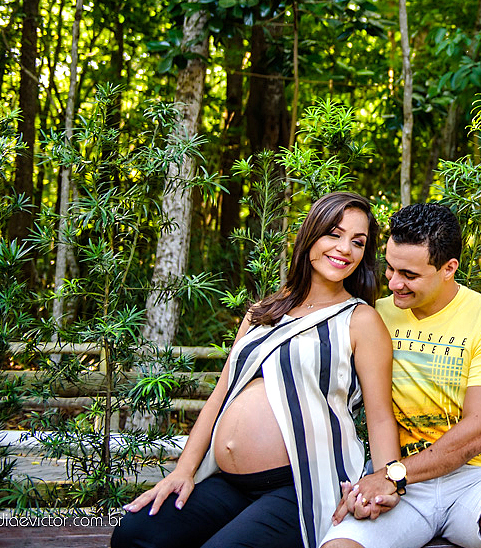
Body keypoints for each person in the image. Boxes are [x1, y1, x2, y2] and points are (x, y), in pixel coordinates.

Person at [113, 191, 401, 548]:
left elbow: (380, 417)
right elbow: (222, 393)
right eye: (334, 233)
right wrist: (183, 472)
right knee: (134, 536)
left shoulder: (360, 320)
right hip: (229, 483)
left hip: (302, 484)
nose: (345, 248)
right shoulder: (264, 310)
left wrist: (389, 479)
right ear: (310, 236)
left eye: (357, 242)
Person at [322, 202, 481, 548]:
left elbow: (479, 433)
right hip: (401, 479)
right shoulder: (372, 316)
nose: (394, 284)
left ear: (448, 268)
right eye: (390, 269)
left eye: (409, 275)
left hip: (479, 476)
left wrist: (393, 476)